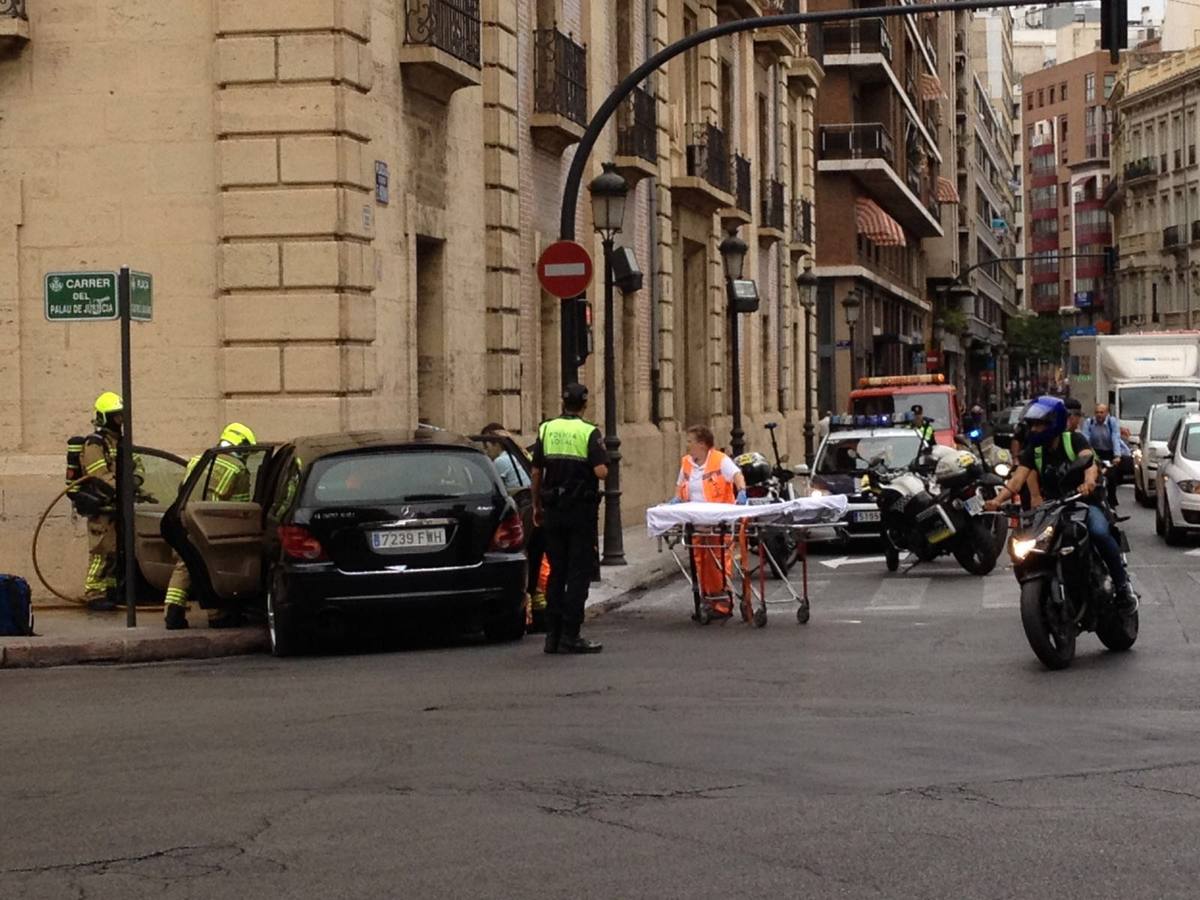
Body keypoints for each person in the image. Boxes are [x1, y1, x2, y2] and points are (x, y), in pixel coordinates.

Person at [985, 396, 1136, 612]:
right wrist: (996, 501)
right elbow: (1016, 481)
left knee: (1100, 533)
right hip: (1053, 508)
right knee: (1031, 544)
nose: (1035, 429)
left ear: (1054, 423)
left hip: (1083, 503)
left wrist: (1088, 482)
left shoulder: (1074, 440)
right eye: (1033, 425)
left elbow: (1089, 463)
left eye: (1040, 424)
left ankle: (1123, 587)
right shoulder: (1033, 452)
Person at [531, 383, 609, 655]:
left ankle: (551, 636)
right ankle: (571, 634)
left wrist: (536, 504)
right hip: (579, 511)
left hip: (553, 510)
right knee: (578, 573)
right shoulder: (589, 432)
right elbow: (600, 471)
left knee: (556, 571)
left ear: (563, 403)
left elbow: (536, 472)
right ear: (584, 404)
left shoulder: (546, 428)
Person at [164, 423, 256, 630]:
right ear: (239, 445)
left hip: (184, 518)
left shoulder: (198, 460)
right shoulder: (238, 469)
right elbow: (240, 507)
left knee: (184, 564)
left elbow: (183, 489)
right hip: (211, 524)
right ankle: (217, 615)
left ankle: (172, 612)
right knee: (211, 566)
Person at [669, 425, 748, 612]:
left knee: (717, 561)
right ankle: (707, 598)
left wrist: (742, 492)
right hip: (697, 522)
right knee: (700, 561)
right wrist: (676, 500)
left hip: (718, 522)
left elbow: (737, 475)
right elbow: (680, 485)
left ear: (702, 445)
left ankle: (721, 601)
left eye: (690, 442)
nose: (687, 446)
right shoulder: (687, 463)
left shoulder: (720, 460)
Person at [79, 392, 124, 611]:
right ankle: (94, 592)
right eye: (116, 417)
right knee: (102, 550)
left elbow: (136, 466)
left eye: (121, 416)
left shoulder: (120, 442)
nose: (120, 421)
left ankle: (111, 590)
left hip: (118, 506)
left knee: (115, 551)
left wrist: (136, 483)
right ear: (105, 417)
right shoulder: (95, 443)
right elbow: (100, 475)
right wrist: (122, 488)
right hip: (102, 506)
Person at [1083, 403, 1131, 507]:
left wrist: (1117, 456)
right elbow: (1085, 440)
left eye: (1101, 412)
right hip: (1095, 452)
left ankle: (1112, 501)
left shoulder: (1112, 422)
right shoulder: (1089, 423)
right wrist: (1087, 454)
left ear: (1107, 413)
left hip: (1109, 452)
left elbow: (1115, 438)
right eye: (1097, 412)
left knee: (1112, 476)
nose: (1099, 415)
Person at [480, 422, 530, 489]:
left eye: (486, 446)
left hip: (517, 497)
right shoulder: (515, 456)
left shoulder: (501, 461)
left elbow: (489, 487)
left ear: (496, 444)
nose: (485, 450)